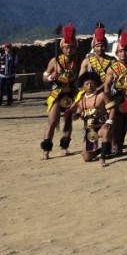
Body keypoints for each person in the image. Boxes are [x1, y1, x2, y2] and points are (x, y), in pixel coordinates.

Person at [41, 24, 80, 159]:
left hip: (71, 93)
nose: (69, 50)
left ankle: (64, 146)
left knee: (68, 121)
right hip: (57, 93)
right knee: (52, 121)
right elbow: (44, 77)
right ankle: (46, 149)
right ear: (62, 48)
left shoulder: (78, 61)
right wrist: (52, 77)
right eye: (67, 47)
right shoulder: (55, 61)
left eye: (71, 47)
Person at [71, 72, 115, 166]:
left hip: (102, 126)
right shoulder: (81, 100)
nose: (89, 86)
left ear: (96, 84)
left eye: (92, 83)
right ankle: (104, 149)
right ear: (82, 86)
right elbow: (77, 114)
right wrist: (73, 114)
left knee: (105, 131)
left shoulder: (102, 95)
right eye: (86, 84)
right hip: (90, 130)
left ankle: (102, 158)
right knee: (87, 158)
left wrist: (109, 121)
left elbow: (112, 109)